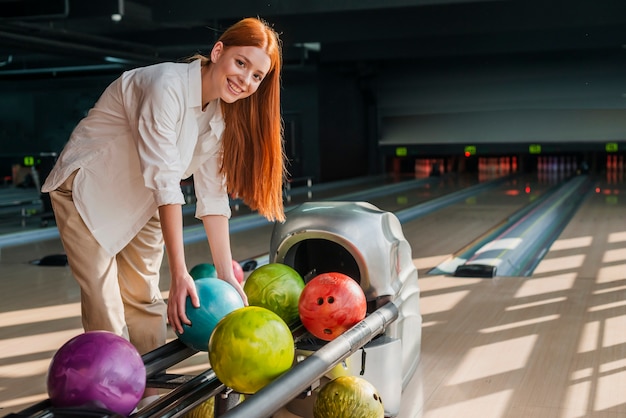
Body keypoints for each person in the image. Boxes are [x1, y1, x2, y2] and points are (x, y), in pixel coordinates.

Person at [41, 16, 285, 403]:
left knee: (144, 300)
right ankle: (112, 396)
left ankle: (152, 393)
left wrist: (225, 273)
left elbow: (212, 196)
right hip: (88, 190)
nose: (246, 80)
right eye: (242, 63)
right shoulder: (165, 86)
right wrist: (180, 271)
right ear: (218, 51)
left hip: (146, 199)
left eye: (257, 76)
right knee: (106, 307)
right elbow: (166, 181)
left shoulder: (221, 114)